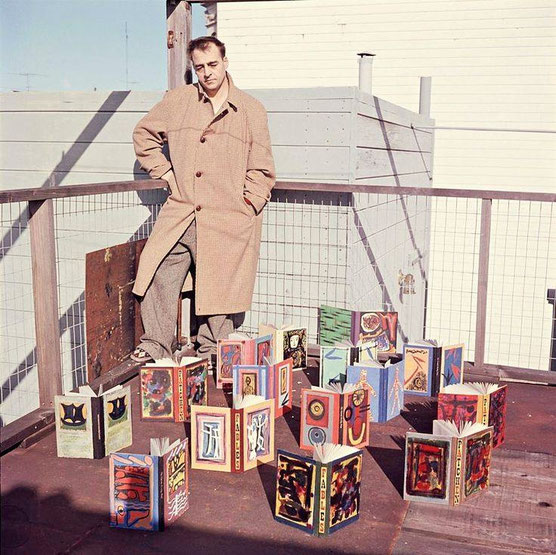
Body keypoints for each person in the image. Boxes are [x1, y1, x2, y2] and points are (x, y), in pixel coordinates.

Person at [130, 36, 275, 365]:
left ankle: (214, 354)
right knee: (156, 273)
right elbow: (143, 134)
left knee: (220, 288)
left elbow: (263, 167)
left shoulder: (251, 109)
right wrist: (165, 172)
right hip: (181, 211)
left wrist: (247, 206)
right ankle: (156, 346)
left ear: (225, 62)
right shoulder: (178, 101)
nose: (207, 73)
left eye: (212, 64)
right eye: (199, 67)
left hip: (228, 217)